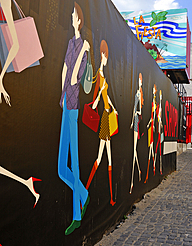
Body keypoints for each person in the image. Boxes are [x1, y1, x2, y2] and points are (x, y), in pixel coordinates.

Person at [57, 2, 90, 235]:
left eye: (73, 16)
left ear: (79, 20)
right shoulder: (70, 43)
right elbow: (63, 71)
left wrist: (84, 49)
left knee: (75, 162)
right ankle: (84, 194)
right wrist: (61, 98)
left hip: (73, 105)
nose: (71, 18)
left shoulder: (83, 49)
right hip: (64, 105)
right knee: (61, 168)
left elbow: (73, 79)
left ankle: (77, 215)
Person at [85, 40, 118, 206]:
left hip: (108, 114)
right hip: (104, 119)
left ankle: (110, 197)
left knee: (106, 157)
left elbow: (107, 96)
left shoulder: (103, 75)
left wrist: (113, 107)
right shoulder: (99, 74)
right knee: (103, 157)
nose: (107, 59)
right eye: (106, 56)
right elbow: (97, 99)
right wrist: (100, 97)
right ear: (103, 55)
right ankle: (88, 190)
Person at [129, 73, 144, 194]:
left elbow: (137, 109)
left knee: (134, 149)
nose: (140, 82)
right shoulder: (138, 93)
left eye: (141, 80)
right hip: (135, 120)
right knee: (134, 149)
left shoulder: (139, 93)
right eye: (139, 80)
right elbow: (135, 108)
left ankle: (132, 182)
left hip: (136, 121)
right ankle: (138, 171)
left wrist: (135, 116)